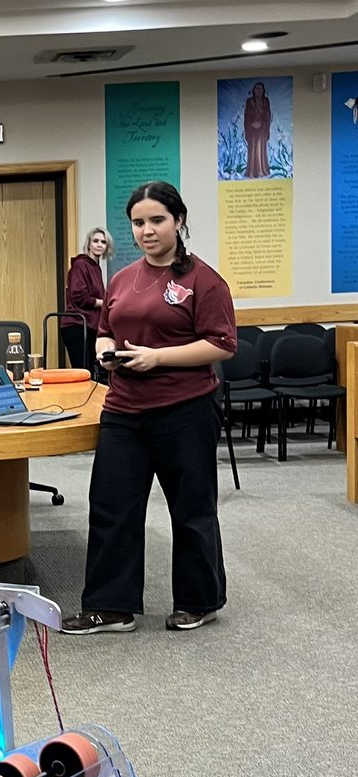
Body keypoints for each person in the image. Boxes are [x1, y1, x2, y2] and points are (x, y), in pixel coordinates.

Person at [61, 181, 236, 636]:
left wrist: (157, 357)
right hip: (124, 409)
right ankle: (110, 606)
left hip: (183, 408)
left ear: (178, 221)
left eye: (157, 220)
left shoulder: (204, 280)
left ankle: (200, 600)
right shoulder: (121, 278)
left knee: (191, 507)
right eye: (139, 222)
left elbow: (221, 344)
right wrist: (104, 349)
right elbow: (105, 327)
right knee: (110, 506)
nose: (147, 230)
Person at [60, 227, 112, 372]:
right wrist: (105, 303)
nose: (99, 244)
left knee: (90, 371)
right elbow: (79, 297)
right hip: (77, 324)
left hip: (88, 325)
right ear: (88, 244)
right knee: (83, 372)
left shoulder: (95, 267)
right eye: (95, 241)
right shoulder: (81, 264)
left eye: (103, 242)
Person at [244, 82, 272, 178]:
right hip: (251, 129)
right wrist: (250, 125)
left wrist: (263, 125)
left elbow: (268, 115)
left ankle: (261, 170)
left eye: (260, 89)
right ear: (253, 90)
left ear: (263, 90)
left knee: (261, 149)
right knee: (252, 149)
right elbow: (246, 116)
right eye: (256, 88)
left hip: (262, 129)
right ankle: (251, 171)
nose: (258, 91)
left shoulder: (266, 101)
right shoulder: (249, 101)